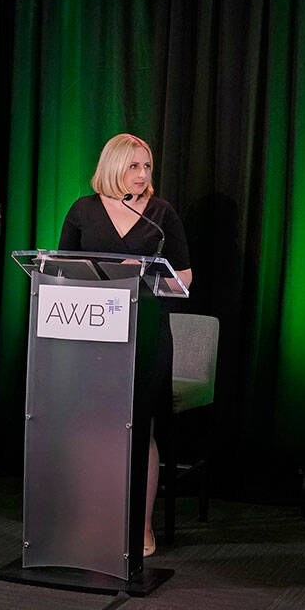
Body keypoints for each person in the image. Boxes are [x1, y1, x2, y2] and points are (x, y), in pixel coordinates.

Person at [59, 133, 193, 558]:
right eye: (134, 166)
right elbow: (59, 270)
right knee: (89, 428)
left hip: (146, 331)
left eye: (147, 167)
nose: (142, 175)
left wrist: (147, 273)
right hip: (90, 334)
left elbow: (185, 277)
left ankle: (142, 526)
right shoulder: (83, 210)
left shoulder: (160, 214)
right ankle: (90, 520)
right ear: (114, 166)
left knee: (140, 429)